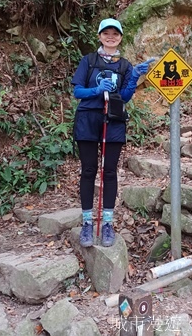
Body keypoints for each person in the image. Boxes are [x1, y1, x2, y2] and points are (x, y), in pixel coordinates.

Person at [71, 18, 153, 247]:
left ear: (120, 37)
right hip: (88, 119)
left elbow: (125, 97)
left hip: (113, 120)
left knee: (109, 172)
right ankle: (87, 222)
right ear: (99, 36)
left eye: (115, 33)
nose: (110, 37)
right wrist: (96, 90)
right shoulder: (88, 61)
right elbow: (78, 91)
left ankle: (107, 223)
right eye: (106, 33)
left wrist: (135, 76)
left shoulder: (125, 65)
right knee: (88, 170)